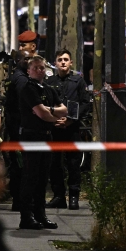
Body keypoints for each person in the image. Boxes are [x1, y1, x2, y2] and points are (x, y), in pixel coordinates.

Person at [17, 56, 67, 230]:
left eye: (42, 67)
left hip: (46, 137)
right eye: (36, 68)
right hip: (32, 137)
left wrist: (50, 111)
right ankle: (26, 216)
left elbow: (64, 109)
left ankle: (40, 214)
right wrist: (54, 119)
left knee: (42, 178)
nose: (40, 70)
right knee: (30, 177)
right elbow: (41, 113)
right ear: (29, 70)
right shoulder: (28, 89)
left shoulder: (48, 89)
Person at [45, 49, 91, 210]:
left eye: (66, 59)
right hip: (55, 129)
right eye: (60, 60)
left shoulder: (78, 81)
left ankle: (73, 197)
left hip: (72, 129)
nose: (63, 62)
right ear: (55, 63)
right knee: (55, 164)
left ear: (71, 63)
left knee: (73, 164)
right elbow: (45, 105)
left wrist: (71, 121)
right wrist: (53, 119)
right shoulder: (49, 82)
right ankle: (58, 196)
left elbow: (85, 103)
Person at [3, 51, 31, 211]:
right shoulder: (21, 79)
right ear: (18, 60)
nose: (28, 61)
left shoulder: (18, 77)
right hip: (19, 129)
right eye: (25, 58)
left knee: (18, 164)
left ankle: (18, 199)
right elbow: (24, 104)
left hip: (16, 128)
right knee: (21, 165)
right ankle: (19, 200)